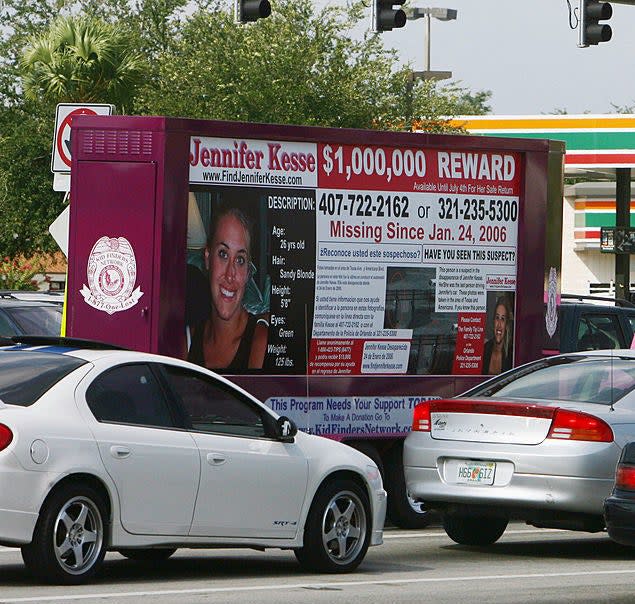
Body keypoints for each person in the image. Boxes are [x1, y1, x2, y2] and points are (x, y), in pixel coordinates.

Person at [188, 206, 268, 370]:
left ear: (247, 272)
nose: (230, 274)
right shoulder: (187, 342)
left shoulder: (260, 343)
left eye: (240, 260)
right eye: (223, 254)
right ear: (208, 258)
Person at [482, 295, 513, 375]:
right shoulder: (486, 349)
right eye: (497, 318)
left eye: (503, 319)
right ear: (493, 321)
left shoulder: (511, 354)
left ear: (506, 324)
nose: (499, 325)